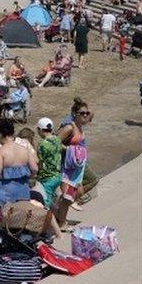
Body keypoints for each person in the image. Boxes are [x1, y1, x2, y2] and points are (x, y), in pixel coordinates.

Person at [54, 98, 92, 229]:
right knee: (67, 196)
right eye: (82, 113)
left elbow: (91, 113)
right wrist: (71, 150)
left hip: (76, 167)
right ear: (75, 114)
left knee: (70, 196)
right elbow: (55, 142)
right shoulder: (70, 127)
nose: (86, 115)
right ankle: (61, 222)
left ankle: (60, 218)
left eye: (86, 113)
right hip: (67, 167)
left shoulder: (80, 127)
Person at [35, 117, 63, 208]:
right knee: (55, 201)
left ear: (40, 129)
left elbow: (39, 161)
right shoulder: (57, 140)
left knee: (46, 203)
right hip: (57, 176)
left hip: (47, 178)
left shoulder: (42, 144)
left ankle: (48, 220)